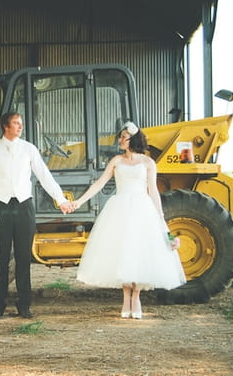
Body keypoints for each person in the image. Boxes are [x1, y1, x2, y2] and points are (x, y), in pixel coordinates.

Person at [73, 121, 186, 319]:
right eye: (120, 137)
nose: (120, 140)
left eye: (124, 137)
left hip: (142, 209)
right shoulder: (116, 161)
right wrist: (79, 201)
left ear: (133, 139)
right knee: (123, 251)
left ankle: (137, 297)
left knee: (139, 252)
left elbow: (153, 191)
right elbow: (99, 184)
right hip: (120, 208)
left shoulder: (148, 163)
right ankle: (126, 297)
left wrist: (161, 218)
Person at [0, 112, 73, 319]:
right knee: (0, 260)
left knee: (23, 259)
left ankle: (24, 306)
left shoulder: (29, 149)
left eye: (21, 123)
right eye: (16, 123)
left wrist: (61, 200)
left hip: (24, 207)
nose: (20, 126)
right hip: (0, 207)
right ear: (6, 126)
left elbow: (44, 176)